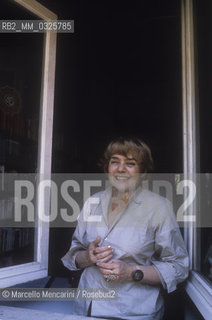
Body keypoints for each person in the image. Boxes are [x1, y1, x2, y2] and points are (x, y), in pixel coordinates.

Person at [62, 137, 189, 320]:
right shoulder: (92, 203)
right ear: (107, 168)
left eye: (130, 163)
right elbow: (73, 255)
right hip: (87, 308)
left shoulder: (159, 207)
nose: (121, 169)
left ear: (143, 172)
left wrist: (131, 272)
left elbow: (178, 267)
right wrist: (87, 257)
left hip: (134, 312)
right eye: (115, 162)